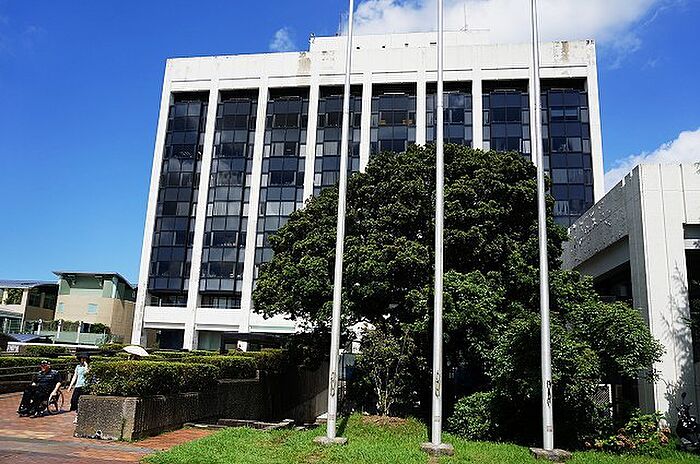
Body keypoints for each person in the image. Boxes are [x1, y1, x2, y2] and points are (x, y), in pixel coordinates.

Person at [66, 354, 89, 423]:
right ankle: (77, 415)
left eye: (84, 358)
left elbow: (87, 373)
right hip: (78, 385)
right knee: (74, 400)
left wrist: (86, 366)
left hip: (85, 386)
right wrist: (70, 386)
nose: (83, 360)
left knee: (83, 402)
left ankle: (78, 417)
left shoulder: (89, 367)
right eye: (82, 358)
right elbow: (75, 376)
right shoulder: (78, 366)